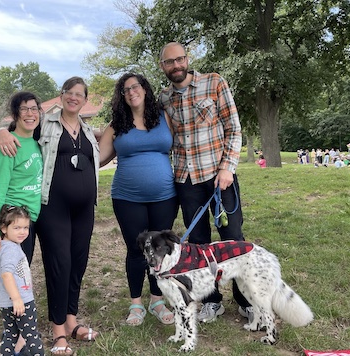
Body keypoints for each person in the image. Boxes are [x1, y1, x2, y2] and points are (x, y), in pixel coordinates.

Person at [0, 77, 100, 355]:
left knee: (78, 263)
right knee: (60, 264)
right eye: (69, 92)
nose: (74, 98)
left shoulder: (88, 130)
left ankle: (71, 322)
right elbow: (18, 130)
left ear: (85, 99)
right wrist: (0, 131)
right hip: (53, 207)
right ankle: (57, 332)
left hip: (84, 210)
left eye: (80, 94)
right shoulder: (46, 123)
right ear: (62, 95)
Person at [158, 42, 252, 323]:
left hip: (218, 177)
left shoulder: (214, 83)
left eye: (179, 60)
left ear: (187, 59)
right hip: (185, 181)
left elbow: (234, 129)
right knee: (198, 245)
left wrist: (227, 168)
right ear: (163, 67)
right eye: (169, 62)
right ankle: (212, 301)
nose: (176, 66)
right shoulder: (164, 98)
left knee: (232, 239)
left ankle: (246, 301)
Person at [99, 73, 178, 326]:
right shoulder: (116, 125)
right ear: (121, 96)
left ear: (145, 89)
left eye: (135, 86)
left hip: (164, 196)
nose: (131, 92)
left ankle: (157, 301)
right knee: (136, 250)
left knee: (160, 250)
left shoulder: (165, 117)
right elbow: (96, 158)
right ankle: (136, 305)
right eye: (125, 89)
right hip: (127, 197)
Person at [0, 91, 43, 356]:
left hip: (30, 220)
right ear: (15, 114)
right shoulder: (9, 145)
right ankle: (16, 336)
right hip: (14, 221)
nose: (31, 113)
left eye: (35, 108)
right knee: (14, 276)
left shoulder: (38, 141)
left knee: (23, 274)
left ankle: (18, 331)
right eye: (24, 109)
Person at [0, 205, 45, 356]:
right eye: (17, 228)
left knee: (10, 335)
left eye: (25, 227)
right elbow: (6, 274)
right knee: (32, 336)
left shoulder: (3, 247)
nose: (22, 232)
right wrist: (17, 299)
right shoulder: (10, 250)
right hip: (22, 302)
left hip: (5, 303)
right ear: (3, 228)